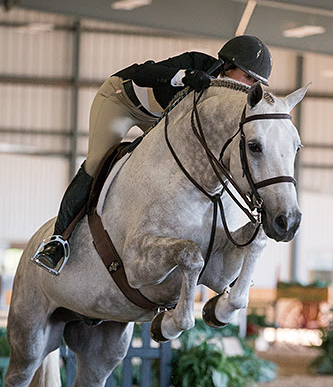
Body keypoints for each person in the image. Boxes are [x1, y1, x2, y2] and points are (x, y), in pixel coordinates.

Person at [32, 35, 272, 275]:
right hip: (121, 101)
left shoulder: (223, 102)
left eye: (256, 82)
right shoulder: (199, 63)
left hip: (158, 119)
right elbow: (143, 73)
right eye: (248, 77)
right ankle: (58, 241)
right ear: (228, 66)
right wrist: (184, 76)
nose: (251, 86)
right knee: (96, 163)